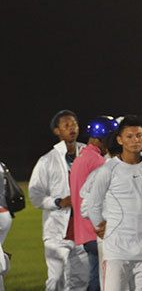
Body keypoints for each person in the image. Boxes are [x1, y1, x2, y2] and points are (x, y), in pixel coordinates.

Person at [86, 116, 142, 291]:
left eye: (139, 135)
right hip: (116, 249)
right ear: (120, 139)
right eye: (129, 136)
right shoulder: (108, 170)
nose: (135, 140)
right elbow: (93, 204)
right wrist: (101, 227)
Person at [28, 109, 89, 291]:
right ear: (57, 131)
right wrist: (58, 202)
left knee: (81, 281)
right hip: (57, 231)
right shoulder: (47, 160)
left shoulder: (88, 154)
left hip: (82, 229)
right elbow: (35, 194)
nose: (72, 128)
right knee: (56, 279)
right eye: (66, 125)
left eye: (75, 124)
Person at [70, 116, 118, 291]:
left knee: (96, 278)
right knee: (104, 281)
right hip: (97, 229)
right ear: (103, 138)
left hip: (84, 230)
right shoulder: (99, 161)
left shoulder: (81, 157)